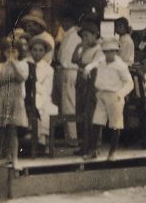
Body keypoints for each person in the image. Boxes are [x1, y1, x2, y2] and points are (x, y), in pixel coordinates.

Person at [84, 38, 133, 159]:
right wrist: (87, 69)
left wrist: (120, 94)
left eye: (111, 51)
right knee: (97, 122)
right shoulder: (101, 61)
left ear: (116, 51)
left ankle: (112, 152)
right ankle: (93, 151)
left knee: (115, 124)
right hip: (101, 95)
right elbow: (92, 65)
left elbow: (129, 83)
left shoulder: (121, 66)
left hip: (114, 96)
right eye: (106, 51)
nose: (108, 53)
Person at [0, 37, 29, 163]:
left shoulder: (22, 65)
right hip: (2, 99)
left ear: (18, 53)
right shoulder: (0, 66)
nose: (11, 55)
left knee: (12, 130)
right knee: (3, 129)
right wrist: (8, 74)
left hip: (15, 100)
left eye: (14, 51)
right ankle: (6, 156)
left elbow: (22, 78)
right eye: (8, 52)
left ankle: (15, 158)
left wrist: (14, 65)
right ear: (4, 53)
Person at [72, 19, 102, 155]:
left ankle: (92, 146)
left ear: (95, 35)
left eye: (87, 35)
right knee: (80, 112)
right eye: (82, 36)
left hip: (92, 83)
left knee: (91, 114)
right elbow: (74, 60)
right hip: (82, 83)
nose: (84, 38)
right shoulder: (84, 48)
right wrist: (79, 47)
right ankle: (83, 145)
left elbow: (94, 65)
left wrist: (83, 65)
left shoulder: (99, 49)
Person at [28, 36, 58, 151]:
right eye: (35, 50)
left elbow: (47, 90)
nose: (37, 53)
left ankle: (43, 141)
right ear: (30, 51)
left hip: (43, 97)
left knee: (47, 109)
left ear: (45, 52)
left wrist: (34, 84)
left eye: (41, 50)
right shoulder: (25, 64)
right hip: (27, 96)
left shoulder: (48, 69)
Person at [56, 12, 81, 146]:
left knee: (68, 104)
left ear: (68, 21)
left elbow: (66, 59)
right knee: (65, 104)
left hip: (69, 70)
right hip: (65, 70)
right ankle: (69, 136)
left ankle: (72, 138)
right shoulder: (68, 35)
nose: (61, 24)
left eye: (63, 21)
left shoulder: (74, 35)